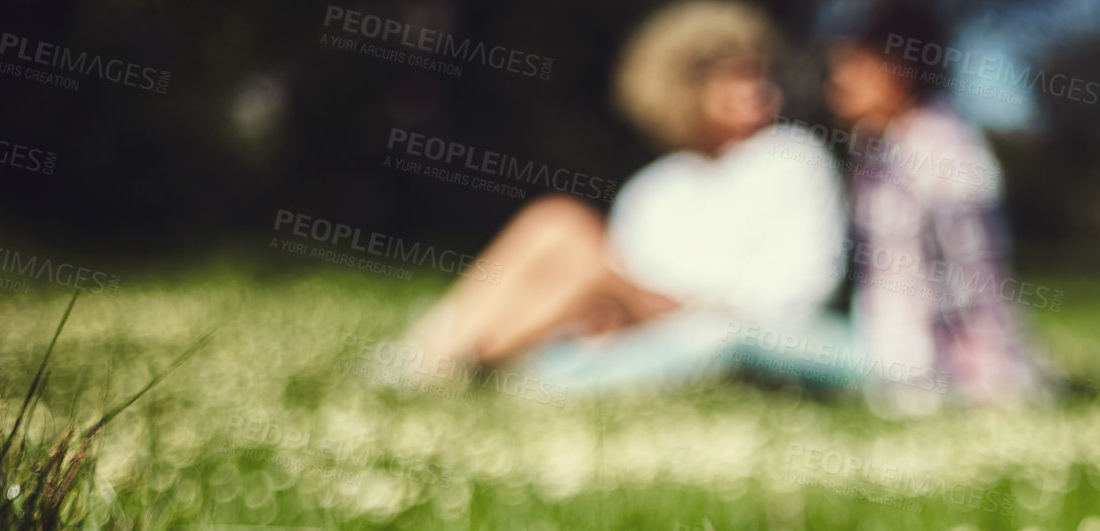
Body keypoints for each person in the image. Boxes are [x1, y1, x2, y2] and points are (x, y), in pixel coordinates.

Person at [388, 1, 845, 390]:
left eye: (757, 76)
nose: (757, 92)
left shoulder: (792, 158)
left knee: (585, 262)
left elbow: (797, 289)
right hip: (638, 310)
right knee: (555, 222)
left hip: (718, 316)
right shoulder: (659, 186)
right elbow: (633, 268)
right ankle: (437, 351)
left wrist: (679, 304)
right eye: (734, 79)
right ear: (686, 89)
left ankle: (460, 364)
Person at [823, 1, 1050, 407]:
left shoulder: (947, 149)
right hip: (885, 346)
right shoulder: (873, 144)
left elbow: (974, 271)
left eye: (854, 67)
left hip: (945, 364)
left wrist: (978, 375)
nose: (838, 83)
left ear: (899, 72)